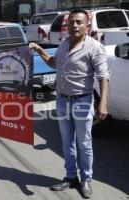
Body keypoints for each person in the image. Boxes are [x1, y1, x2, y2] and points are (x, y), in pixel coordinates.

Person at [29, 8, 109, 199]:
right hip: (63, 100)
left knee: (84, 143)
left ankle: (86, 179)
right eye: (71, 22)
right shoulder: (63, 44)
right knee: (67, 142)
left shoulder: (94, 47)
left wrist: (103, 104)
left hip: (82, 100)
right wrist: (40, 50)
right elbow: (53, 63)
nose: (74, 25)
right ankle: (71, 177)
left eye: (79, 22)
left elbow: (103, 77)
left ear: (87, 26)